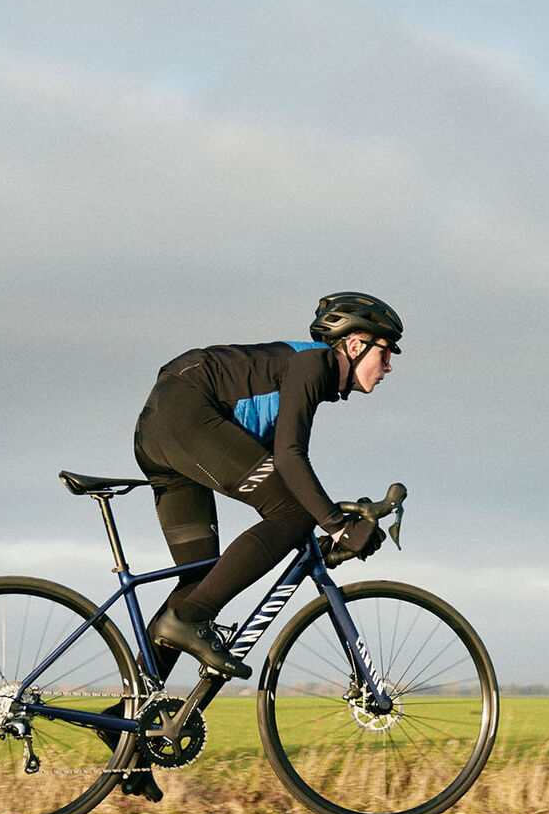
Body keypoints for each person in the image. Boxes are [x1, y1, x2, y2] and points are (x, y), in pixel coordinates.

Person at [132, 291, 401, 681]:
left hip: (162, 426)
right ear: (356, 344)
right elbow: (291, 460)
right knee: (289, 514)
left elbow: (285, 471)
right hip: (184, 413)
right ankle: (190, 621)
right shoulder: (314, 363)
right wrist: (338, 527)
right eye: (387, 352)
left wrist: (329, 533)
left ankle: (130, 716)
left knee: (199, 582)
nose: (388, 367)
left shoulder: (298, 374)